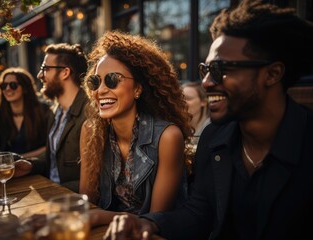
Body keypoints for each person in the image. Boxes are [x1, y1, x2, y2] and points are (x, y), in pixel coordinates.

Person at [103, 1, 313, 239]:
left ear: (272, 74)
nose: (206, 83)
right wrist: (149, 224)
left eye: (220, 69)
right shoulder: (215, 137)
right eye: (206, 70)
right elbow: (199, 212)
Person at [79, 31, 192, 227]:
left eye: (112, 79)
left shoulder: (167, 137)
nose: (101, 90)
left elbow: (156, 220)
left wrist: (101, 216)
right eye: (95, 82)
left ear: (138, 89)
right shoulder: (91, 132)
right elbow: (86, 204)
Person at [27, 43, 89, 192]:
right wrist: (29, 165)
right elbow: (55, 155)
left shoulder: (89, 112)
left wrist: (54, 190)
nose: (40, 75)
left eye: (45, 69)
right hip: (51, 192)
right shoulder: (55, 111)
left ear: (65, 72)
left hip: (71, 200)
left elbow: (95, 176)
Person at [0, 67, 50, 159]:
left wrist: (20, 158)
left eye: (13, 85)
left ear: (25, 88)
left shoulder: (43, 111)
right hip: (6, 169)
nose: (7, 89)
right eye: (3, 86)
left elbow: (50, 145)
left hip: (37, 168)